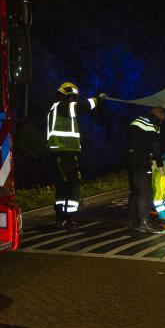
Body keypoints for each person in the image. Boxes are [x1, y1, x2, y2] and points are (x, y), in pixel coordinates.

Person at [46, 81, 106, 229]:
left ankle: (61, 219)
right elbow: (82, 107)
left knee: (62, 186)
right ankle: (68, 218)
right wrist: (98, 99)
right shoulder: (62, 106)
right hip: (64, 152)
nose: (74, 100)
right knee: (73, 184)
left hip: (58, 154)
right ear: (67, 95)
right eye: (73, 97)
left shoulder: (56, 108)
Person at [125, 107, 165, 232]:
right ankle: (145, 222)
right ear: (160, 115)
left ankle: (132, 221)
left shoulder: (137, 121)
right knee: (146, 191)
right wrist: (160, 166)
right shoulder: (152, 125)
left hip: (129, 159)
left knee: (135, 191)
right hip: (142, 161)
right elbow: (155, 147)